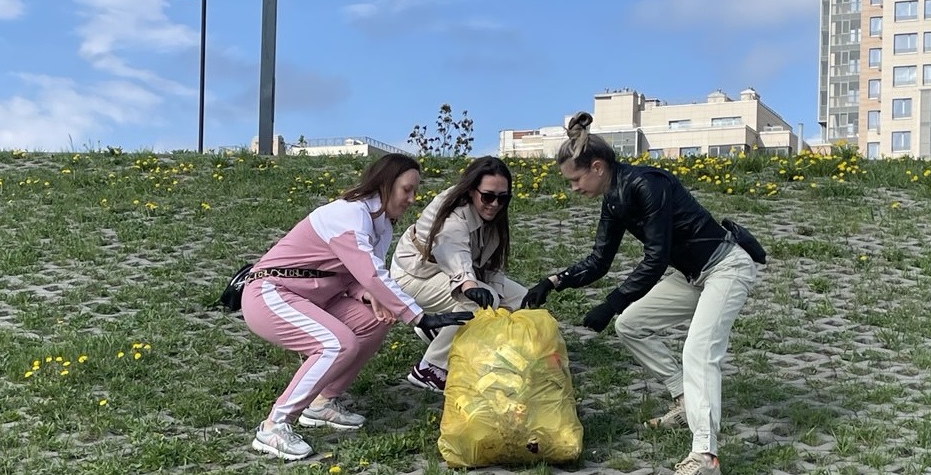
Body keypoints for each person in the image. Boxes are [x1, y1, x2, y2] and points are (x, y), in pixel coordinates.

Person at [522, 112, 761, 475]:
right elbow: (599, 260)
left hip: (726, 267)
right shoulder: (614, 200)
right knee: (631, 324)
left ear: (597, 166)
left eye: (575, 179)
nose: (573, 188)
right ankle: (685, 400)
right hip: (694, 275)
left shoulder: (647, 185)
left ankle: (705, 456)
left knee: (698, 351)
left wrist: (611, 303)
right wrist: (553, 281)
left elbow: (655, 258)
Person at [240, 153, 475, 461]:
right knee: (336, 344)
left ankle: (323, 403)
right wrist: (418, 316)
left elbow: (355, 276)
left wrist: (368, 296)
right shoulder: (349, 215)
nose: (412, 199)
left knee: (375, 321)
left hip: (312, 297)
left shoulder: (382, 226)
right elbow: (370, 272)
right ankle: (274, 425)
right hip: (269, 293)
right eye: (407, 189)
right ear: (385, 184)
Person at [389, 156, 526, 392]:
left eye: (503, 198)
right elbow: (455, 254)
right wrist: (469, 285)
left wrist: (497, 294)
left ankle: (440, 330)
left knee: (520, 298)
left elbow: (492, 265)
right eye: (488, 196)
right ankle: (430, 369)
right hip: (414, 276)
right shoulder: (453, 216)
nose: (494, 203)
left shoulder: (491, 215)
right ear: (472, 190)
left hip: (448, 271)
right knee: (481, 300)